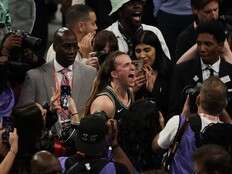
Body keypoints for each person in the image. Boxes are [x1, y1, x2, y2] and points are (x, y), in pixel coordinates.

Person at [17, 27, 96, 138]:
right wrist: (47, 111)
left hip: (80, 142)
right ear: (54, 47)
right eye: (67, 46)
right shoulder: (34, 76)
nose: (72, 51)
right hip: (46, 144)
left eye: (74, 46)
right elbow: (23, 117)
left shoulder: (91, 74)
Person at [152, 76, 229, 174]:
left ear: (198, 99)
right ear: (224, 104)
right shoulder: (227, 132)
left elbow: (156, 146)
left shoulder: (180, 122)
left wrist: (179, 120)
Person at [169, 20, 232, 117]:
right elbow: (174, 110)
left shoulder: (230, 71)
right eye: (199, 43)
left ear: (220, 46)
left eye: (208, 44)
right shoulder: (182, 71)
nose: (202, 49)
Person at [58, 112, 133, 174]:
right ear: (106, 139)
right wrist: (114, 144)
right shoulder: (114, 169)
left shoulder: (60, 164)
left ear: (77, 139)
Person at [106, 0, 170, 60]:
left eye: (140, 2)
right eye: (132, 3)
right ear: (119, 11)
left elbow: (165, 64)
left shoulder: (154, 31)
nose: (138, 6)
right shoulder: (106, 36)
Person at [133, 30, 173, 119]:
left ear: (156, 50)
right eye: (138, 51)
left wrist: (154, 90)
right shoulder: (131, 71)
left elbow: (172, 106)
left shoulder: (170, 70)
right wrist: (132, 91)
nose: (142, 55)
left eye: (147, 50)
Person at [46, 4, 99, 69]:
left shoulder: (85, 46)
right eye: (93, 23)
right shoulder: (63, 50)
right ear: (81, 26)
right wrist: (85, 59)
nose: (96, 27)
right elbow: (65, 78)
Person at [85, 51, 134, 120]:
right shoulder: (103, 103)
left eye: (132, 64)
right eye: (126, 65)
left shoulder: (129, 92)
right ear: (114, 74)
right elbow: (94, 129)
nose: (132, 68)